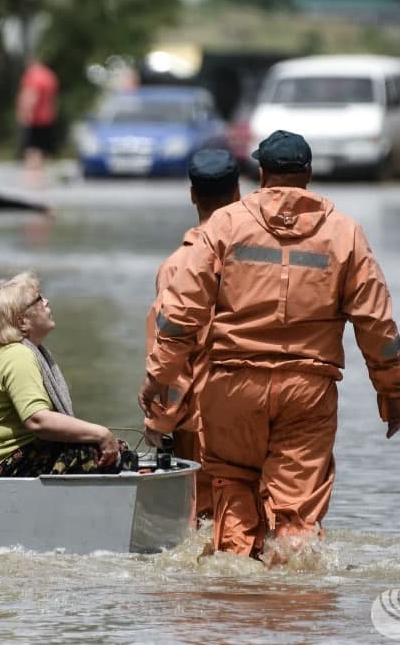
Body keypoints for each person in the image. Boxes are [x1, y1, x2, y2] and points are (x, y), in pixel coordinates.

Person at [139, 130, 400, 564]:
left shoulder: (226, 225)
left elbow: (180, 312)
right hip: (307, 390)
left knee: (232, 495)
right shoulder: (345, 233)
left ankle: (234, 601)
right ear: (310, 174)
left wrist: (159, 376)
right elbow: (378, 323)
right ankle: (293, 610)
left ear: (260, 174)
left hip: (231, 387)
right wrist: (391, 392)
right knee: (297, 517)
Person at [144, 149, 242, 521]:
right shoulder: (259, 260)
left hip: (200, 422)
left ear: (192, 194)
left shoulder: (176, 267)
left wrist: (160, 421)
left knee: (205, 524)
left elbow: (171, 353)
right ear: (238, 193)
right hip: (255, 411)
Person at [0, 270, 120, 477]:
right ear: (22, 322)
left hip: (9, 460)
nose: (46, 301)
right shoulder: (17, 356)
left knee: (112, 448)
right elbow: (38, 420)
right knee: (92, 454)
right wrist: (101, 432)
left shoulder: (19, 352)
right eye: (38, 300)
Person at [16, 55, 59, 176]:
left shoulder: (33, 75)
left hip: (35, 119)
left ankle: (32, 183)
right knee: (43, 152)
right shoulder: (50, 76)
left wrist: (25, 112)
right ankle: (41, 182)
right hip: (48, 118)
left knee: (32, 152)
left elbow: (30, 94)